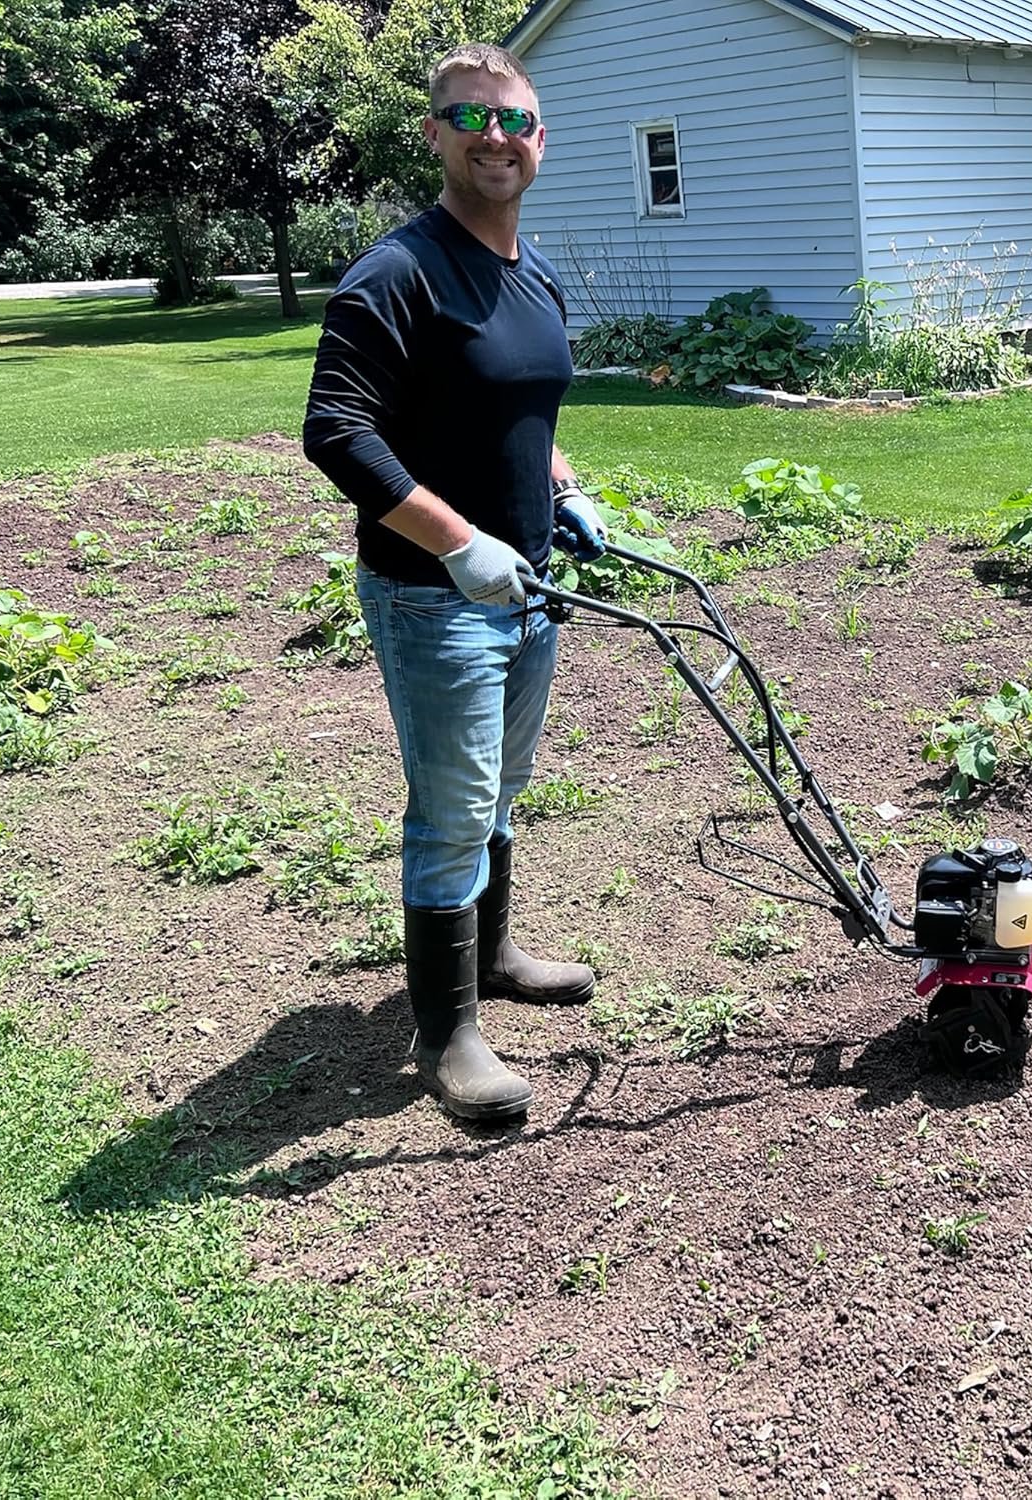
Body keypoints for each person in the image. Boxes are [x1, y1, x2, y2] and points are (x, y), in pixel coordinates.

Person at [302, 42, 605, 1124]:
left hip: (529, 590)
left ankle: (495, 954)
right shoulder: (398, 273)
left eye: (515, 121)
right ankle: (446, 1034)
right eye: (470, 119)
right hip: (436, 595)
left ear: (539, 142)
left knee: (500, 790)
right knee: (451, 809)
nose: (496, 139)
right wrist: (456, 541)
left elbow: (526, 417)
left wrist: (565, 492)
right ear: (434, 134)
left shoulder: (534, 275)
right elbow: (334, 431)